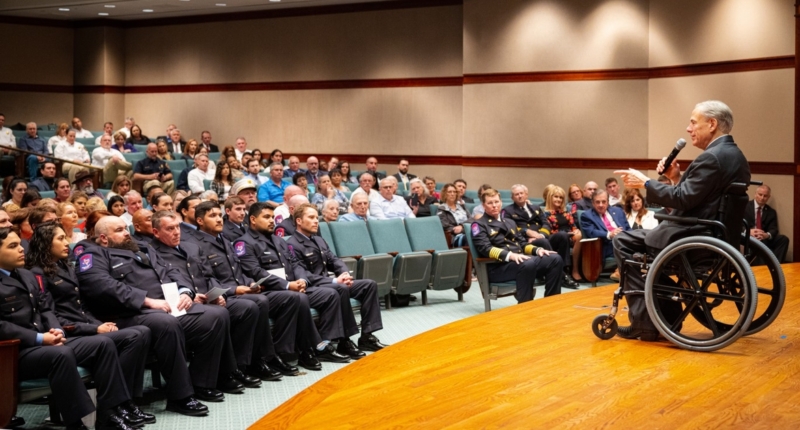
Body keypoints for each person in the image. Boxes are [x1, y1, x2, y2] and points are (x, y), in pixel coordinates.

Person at [613, 100, 751, 341]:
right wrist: (675, 177)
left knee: (623, 242)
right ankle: (664, 315)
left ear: (712, 124)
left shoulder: (712, 158)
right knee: (637, 250)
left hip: (694, 235)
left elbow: (684, 199)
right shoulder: (734, 155)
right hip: (713, 232)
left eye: (693, 122)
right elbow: (697, 199)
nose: (688, 129)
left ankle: (647, 322)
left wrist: (645, 182)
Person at [76, 216, 237, 413]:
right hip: (129, 314)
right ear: (103, 238)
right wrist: (147, 300)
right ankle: (180, 396)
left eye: (125, 228)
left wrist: (185, 292)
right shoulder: (93, 254)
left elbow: (172, 271)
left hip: (167, 306)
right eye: (119, 230)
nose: (126, 232)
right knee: (166, 324)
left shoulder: (142, 247)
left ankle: (200, 383)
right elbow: (101, 286)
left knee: (217, 316)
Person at [0, 227, 144, 430]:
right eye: (13, 246)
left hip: (46, 342)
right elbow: (2, 326)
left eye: (19, 244)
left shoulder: (24, 275)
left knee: (103, 344)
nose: (21, 250)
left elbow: (45, 308)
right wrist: (40, 338)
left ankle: (108, 414)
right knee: (62, 355)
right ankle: (76, 424)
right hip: (16, 352)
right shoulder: (33, 273)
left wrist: (55, 330)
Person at [184, 201, 313, 376]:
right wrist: (235, 290)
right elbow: (206, 278)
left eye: (218, 215)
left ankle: (275, 354)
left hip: (243, 291)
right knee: (257, 303)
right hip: (224, 296)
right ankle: (251, 362)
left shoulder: (226, 240)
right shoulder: (195, 245)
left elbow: (239, 271)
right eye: (212, 216)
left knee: (290, 297)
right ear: (199, 221)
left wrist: (251, 283)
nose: (219, 219)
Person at [148, 210, 274, 385]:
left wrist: (218, 293)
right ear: (156, 232)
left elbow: (209, 275)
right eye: (170, 229)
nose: (176, 232)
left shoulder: (191, 247)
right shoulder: (152, 253)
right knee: (221, 315)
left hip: (209, 298)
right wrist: (190, 295)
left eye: (177, 227)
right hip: (185, 304)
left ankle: (241, 365)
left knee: (249, 308)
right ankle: (225, 372)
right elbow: (163, 283)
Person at [238, 202, 357, 366]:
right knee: (297, 299)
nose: (272, 220)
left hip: (292, 288)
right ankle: (307, 349)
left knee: (330, 294)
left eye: (272, 217)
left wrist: (302, 280)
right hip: (267, 291)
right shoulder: (244, 243)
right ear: (252, 219)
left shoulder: (279, 241)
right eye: (266, 217)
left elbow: (295, 264)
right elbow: (256, 272)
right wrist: (288, 285)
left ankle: (327, 343)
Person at [288, 203, 388, 353]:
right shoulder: (291, 245)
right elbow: (303, 275)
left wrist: (344, 274)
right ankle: (344, 340)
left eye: (317, 217)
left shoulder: (318, 240)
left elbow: (334, 260)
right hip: (313, 287)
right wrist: (334, 281)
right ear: (299, 221)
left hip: (330, 284)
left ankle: (367, 336)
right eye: (311, 217)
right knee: (340, 288)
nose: (316, 221)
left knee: (369, 285)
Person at [471, 189, 564, 301]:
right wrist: (511, 255)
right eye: (490, 203)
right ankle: (525, 307)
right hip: (498, 267)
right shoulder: (479, 224)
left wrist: (538, 250)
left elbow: (523, 244)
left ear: (501, 202)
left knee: (555, 259)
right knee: (527, 263)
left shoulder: (510, 222)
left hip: (520, 261)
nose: (494, 206)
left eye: (496, 202)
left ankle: (551, 302)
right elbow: (485, 248)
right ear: (483, 205)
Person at [503, 184, 575, 288]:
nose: (519, 196)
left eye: (521, 193)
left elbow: (545, 223)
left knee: (563, 235)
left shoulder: (535, 208)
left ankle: (563, 269)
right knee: (543, 242)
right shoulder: (508, 211)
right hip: (526, 240)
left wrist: (541, 234)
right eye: (516, 194)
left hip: (541, 236)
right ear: (512, 197)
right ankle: (562, 276)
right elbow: (511, 228)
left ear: (526, 195)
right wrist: (527, 232)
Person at [541, 185, 584, 283]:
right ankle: (565, 271)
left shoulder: (566, 213)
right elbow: (547, 230)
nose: (559, 199)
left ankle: (575, 269)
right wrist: (566, 233)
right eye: (556, 196)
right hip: (553, 238)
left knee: (579, 235)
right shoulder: (545, 213)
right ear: (550, 197)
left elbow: (573, 226)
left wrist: (576, 230)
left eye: (561, 197)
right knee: (562, 235)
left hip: (567, 236)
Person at [744, 184, 790, 263]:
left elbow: (774, 229)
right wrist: (748, 231)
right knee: (759, 244)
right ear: (755, 194)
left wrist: (767, 235)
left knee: (783, 239)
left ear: (768, 197)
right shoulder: (745, 207)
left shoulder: (771, 211)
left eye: (765, 196)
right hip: (749, 237)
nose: (762, 198)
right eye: (760, 194)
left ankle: (776, 265)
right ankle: (764, 267)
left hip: (764, 237)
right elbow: (737, 224)